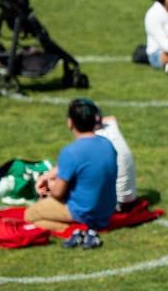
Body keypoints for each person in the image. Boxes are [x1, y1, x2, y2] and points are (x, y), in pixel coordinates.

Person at [24, 98, 118, 243]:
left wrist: (49, 187)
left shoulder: (70, 151)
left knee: (30, 215)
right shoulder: (107, 143)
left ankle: (72, 230)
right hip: (107, 209)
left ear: (70, 122)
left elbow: (58, 193)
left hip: (84, 211)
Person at [95, 115, 137, 211]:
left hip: (114, 205)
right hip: (130, 199)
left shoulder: (92, 140)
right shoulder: (110, 126)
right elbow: (112, 117)